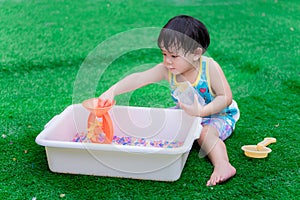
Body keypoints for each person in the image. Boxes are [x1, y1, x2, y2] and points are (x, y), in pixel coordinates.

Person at [99, 15, 240, 186]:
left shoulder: (209, 67)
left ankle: (223, 165)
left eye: (173, 56)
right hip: (187, 114)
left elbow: (226, 97)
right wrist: (111, 91)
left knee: (205, 134)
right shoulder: (167, 70)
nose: (167, 61)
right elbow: (139, 78)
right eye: (164, 53)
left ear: (196, 54)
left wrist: (201, 112)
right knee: (160, 122)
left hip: (218, 115)